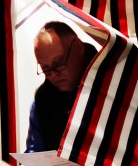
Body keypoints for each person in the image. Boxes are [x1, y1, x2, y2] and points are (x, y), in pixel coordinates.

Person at [25, 21, 97, 153]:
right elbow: (35, 150)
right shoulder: (43, 100)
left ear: (79, 47)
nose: (53, 74)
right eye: (45, 68)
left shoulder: (112, 81)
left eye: (58, 63)